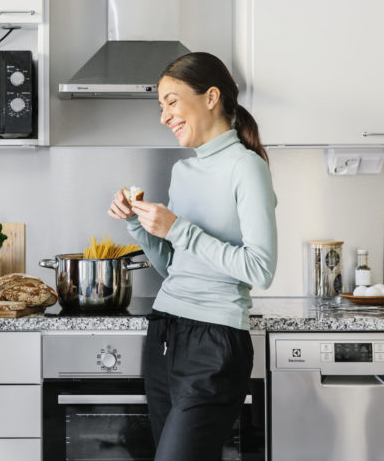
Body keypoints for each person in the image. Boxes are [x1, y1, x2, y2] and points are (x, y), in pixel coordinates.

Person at [108, 52, 278, 460]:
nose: (164, 116)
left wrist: (179, 229)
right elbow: (174, 268)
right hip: (165, 333)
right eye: (160, 106)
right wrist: (137, 223)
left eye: (171, 101)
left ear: (211, 97)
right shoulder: (182, 173)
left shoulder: (246, 167)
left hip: (215, 344)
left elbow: (261, 268)